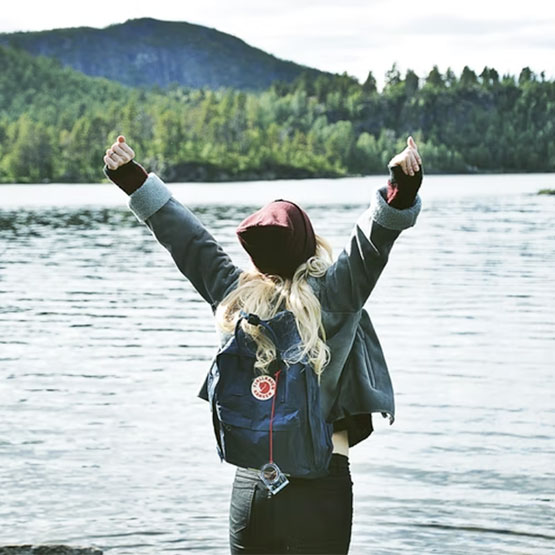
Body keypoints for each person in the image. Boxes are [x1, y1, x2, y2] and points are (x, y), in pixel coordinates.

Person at [103, 135, 423, 554]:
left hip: (253, 484)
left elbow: (186, 239)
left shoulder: (234, 294)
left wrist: (132, 178)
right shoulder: (337, 292)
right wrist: (402, 185)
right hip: (320, 484)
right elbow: (373, 239)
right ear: (310, 242)